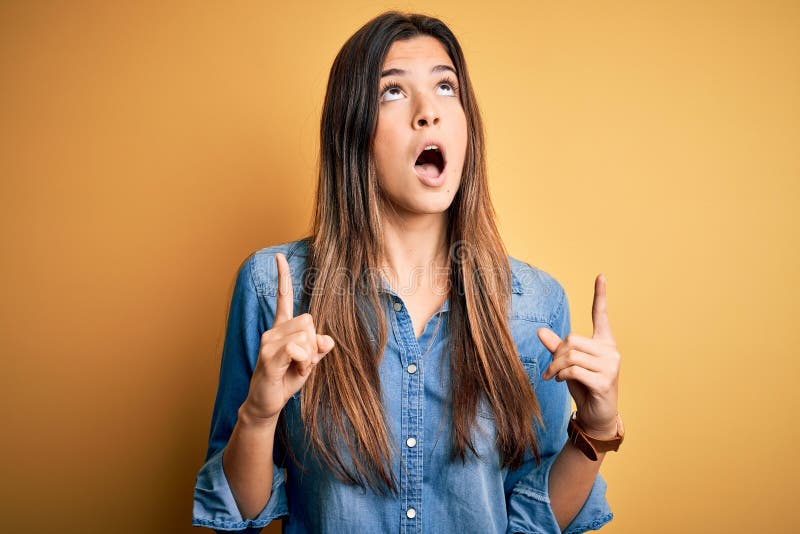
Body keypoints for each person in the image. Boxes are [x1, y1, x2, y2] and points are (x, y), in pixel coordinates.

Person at [192, 10, 624, 534]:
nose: (428, 113)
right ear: (352, 130)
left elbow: (534, 519)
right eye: (392, 92)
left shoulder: (534, 303)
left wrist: (596, 430)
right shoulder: (271, 286)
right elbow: (236, 518)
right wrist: (259, 417)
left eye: (446, 87)